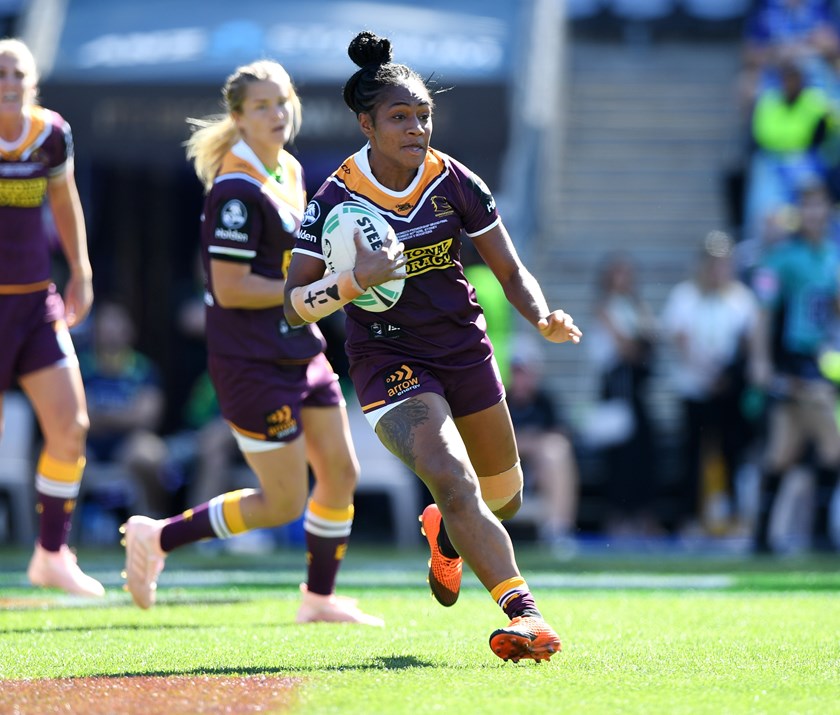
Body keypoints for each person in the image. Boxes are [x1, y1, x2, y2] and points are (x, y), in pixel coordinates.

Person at [284, 31, 582, 663]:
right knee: (450, 475)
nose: (415, 127)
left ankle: (445, 536)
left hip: (464, 349)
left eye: (423, 115)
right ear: (366, 123)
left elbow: (510, 269)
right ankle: (526, 618)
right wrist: (355, 281)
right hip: (388, 359)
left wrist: (541, 316)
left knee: (505, 496)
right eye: (399, 117)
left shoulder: (456, 180)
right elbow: (293, 302)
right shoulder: (333, 200)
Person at [120, 59, 383, 626]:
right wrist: (334, 284)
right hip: (251, 363)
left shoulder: (288, 168)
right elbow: (231, 289)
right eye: (261, 106)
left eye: (282, 101)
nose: (276, 114)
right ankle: (159, 536)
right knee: (283, 501)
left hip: (299, 346)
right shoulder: (235, 190)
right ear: (238, 119)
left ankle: (318, 598)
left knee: (340, 472)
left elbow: (299, 264)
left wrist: (342, 270)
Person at [0, 38, 102, 596]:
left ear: (32, 81)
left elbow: (64, 201)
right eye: (0, 71)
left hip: (36, 301)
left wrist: (80, 270)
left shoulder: (51, 134)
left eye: (18, 71)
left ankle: (51, 554)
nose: (9, 80)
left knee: (70, 427)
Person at [750, 178, 840, 553]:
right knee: (832, 443)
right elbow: (763, 312)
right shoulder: (783, 258)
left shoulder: (832, 255)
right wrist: (761, 360)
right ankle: (819, 534)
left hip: (818, 358)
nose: (814, 213)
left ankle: (762, 538)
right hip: (792, 359)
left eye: (820, 206)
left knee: (783, 451)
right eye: (807, 207)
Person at [661, 231, 760, 535]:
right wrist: (708, 373)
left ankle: (732, 518)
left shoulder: (740, 298)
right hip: (695, 390)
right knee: (692, 456)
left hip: (728, 392)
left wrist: (730, 375)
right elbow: (681, 341)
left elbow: (750, 342)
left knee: (732, 453)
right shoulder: (685, 296)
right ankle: (689, 518)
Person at [586, 251, 661, 539]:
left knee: (644, 455)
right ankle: (618, 517)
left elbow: (651, 337)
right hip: (615, 389)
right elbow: (627, 346)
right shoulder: (604, 309)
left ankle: (644, 516)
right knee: (619, 459)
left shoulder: (635, 306)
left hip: (636, 390)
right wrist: (640, 342)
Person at [79, 300, 171, 518]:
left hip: (128, 443)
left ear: (129, 330)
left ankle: (155, 518)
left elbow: (148, 416)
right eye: (105, 323)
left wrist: (101, 416)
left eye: (117, 322)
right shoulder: (79, 366)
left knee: (151, 456)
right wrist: (124, 415)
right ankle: (57, 534)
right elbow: (71, 415)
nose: (111, 330)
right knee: (54, 456)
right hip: (87, 442)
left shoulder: (143, 368)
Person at [505, 336, 579, 554]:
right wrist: (527, 442)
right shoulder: (497, 401)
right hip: (502, 470)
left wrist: (529, 443)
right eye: (515, 371)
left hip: (536, 473)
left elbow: (561, 436)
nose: (520, 379)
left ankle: (558, 531)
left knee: (556, 451)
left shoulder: (545, 402)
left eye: (524, 372)